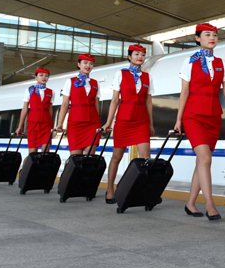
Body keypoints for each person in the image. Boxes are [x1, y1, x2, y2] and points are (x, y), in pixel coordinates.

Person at [173, 24, 225, 220]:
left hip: (213, 117)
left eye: (215, 35)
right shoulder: (189, 62)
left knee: (202, 161)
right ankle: (210, 204)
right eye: (207, 34)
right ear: (197, 38)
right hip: (193, 115)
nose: (212, 37)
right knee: (205, 159)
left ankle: (190, 203)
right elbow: (184, 92)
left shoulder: (222, 62)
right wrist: (178, 119)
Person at [101, 44, 155, 204]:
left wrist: (151, 124)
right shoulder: (121, 74)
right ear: (129, 56)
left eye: (143, 54)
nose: (140, 56)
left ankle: (144, 191)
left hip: (141, 122)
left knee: (146, 158)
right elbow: (115, 100)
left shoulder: (147, 77)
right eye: (136, 54)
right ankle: (110, 189)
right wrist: (108, 122)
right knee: (117, 157)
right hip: (124, 121)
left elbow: (149, 101)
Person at [55, 54, 102, 156]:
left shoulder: (95, 83)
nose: (88, 65)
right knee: (75, 157)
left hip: (92, 124)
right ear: (79, 64)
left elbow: (96, 105)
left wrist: (98, 121)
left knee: (90, 156)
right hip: (76, 124)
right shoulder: (70, 82)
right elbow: (65, 104)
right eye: (85, 63)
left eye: (91, 63)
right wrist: (60, 123)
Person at [14, 67, 54, 153]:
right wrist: (20, 126)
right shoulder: (29, 90)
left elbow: (50, 109)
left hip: (46, 125)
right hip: (33, 124)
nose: (44, 77)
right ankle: (27, 166)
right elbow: (25, 109)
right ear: (36, 77)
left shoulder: (51, 92)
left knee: (46, 152)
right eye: (41, 75)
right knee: (32, 153)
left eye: (47, 76)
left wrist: (51, 123)